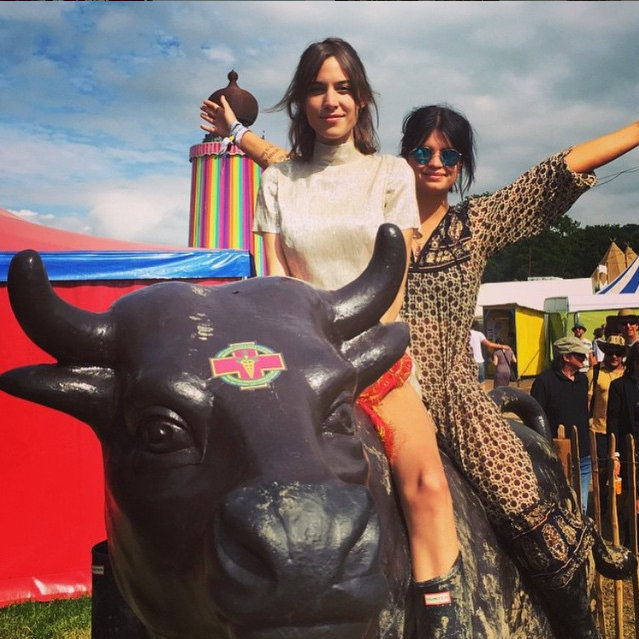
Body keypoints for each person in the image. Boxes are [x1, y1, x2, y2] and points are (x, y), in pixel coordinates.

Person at [201, 88, 639, 639]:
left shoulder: (476, 224)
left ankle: (580, 627)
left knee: (529, 512)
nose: (435, 163)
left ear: (461, 168)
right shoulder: (368, 203)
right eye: (423, 152)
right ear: (402, 158)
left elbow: (560, 169)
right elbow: (292, 167)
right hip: (365, 376)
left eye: (449, 155)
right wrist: (238, 135)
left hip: (452, 392)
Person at [209, 38, 469, 639]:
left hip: (375, 355)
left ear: (362, 100)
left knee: (425, 480)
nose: (332, 100)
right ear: (300, 100)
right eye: (319, 88)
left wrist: (358, 352)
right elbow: (272, 279)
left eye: (344, 88)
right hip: (303, 367)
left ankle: (441, 607)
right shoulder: (278, 181)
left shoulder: (390, 173)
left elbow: (392, 276)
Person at [531, 336, 593, 512]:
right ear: (566, 357)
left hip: (584, 451)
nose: (584, 358)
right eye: (579, 355)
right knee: (561, 503)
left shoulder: (582, 381)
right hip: (557, 452)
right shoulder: (544, 381)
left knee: (581, 505)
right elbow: (536, 415)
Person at [588, 334, 626, 514]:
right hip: (599, 429)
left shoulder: (628, 373)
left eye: (618, 353)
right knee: (602, 471)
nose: (614, 357)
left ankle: (621, 509)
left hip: (621, 431)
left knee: (623, 471)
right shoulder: (594, 372)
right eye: (610, 352)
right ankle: (602, 507)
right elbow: (587, 402)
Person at [607, 342, 639, 516]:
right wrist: (615, 455)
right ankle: (631, 536)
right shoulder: (619, 386)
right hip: (630, 451)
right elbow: (613, 421)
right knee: (630, 496)